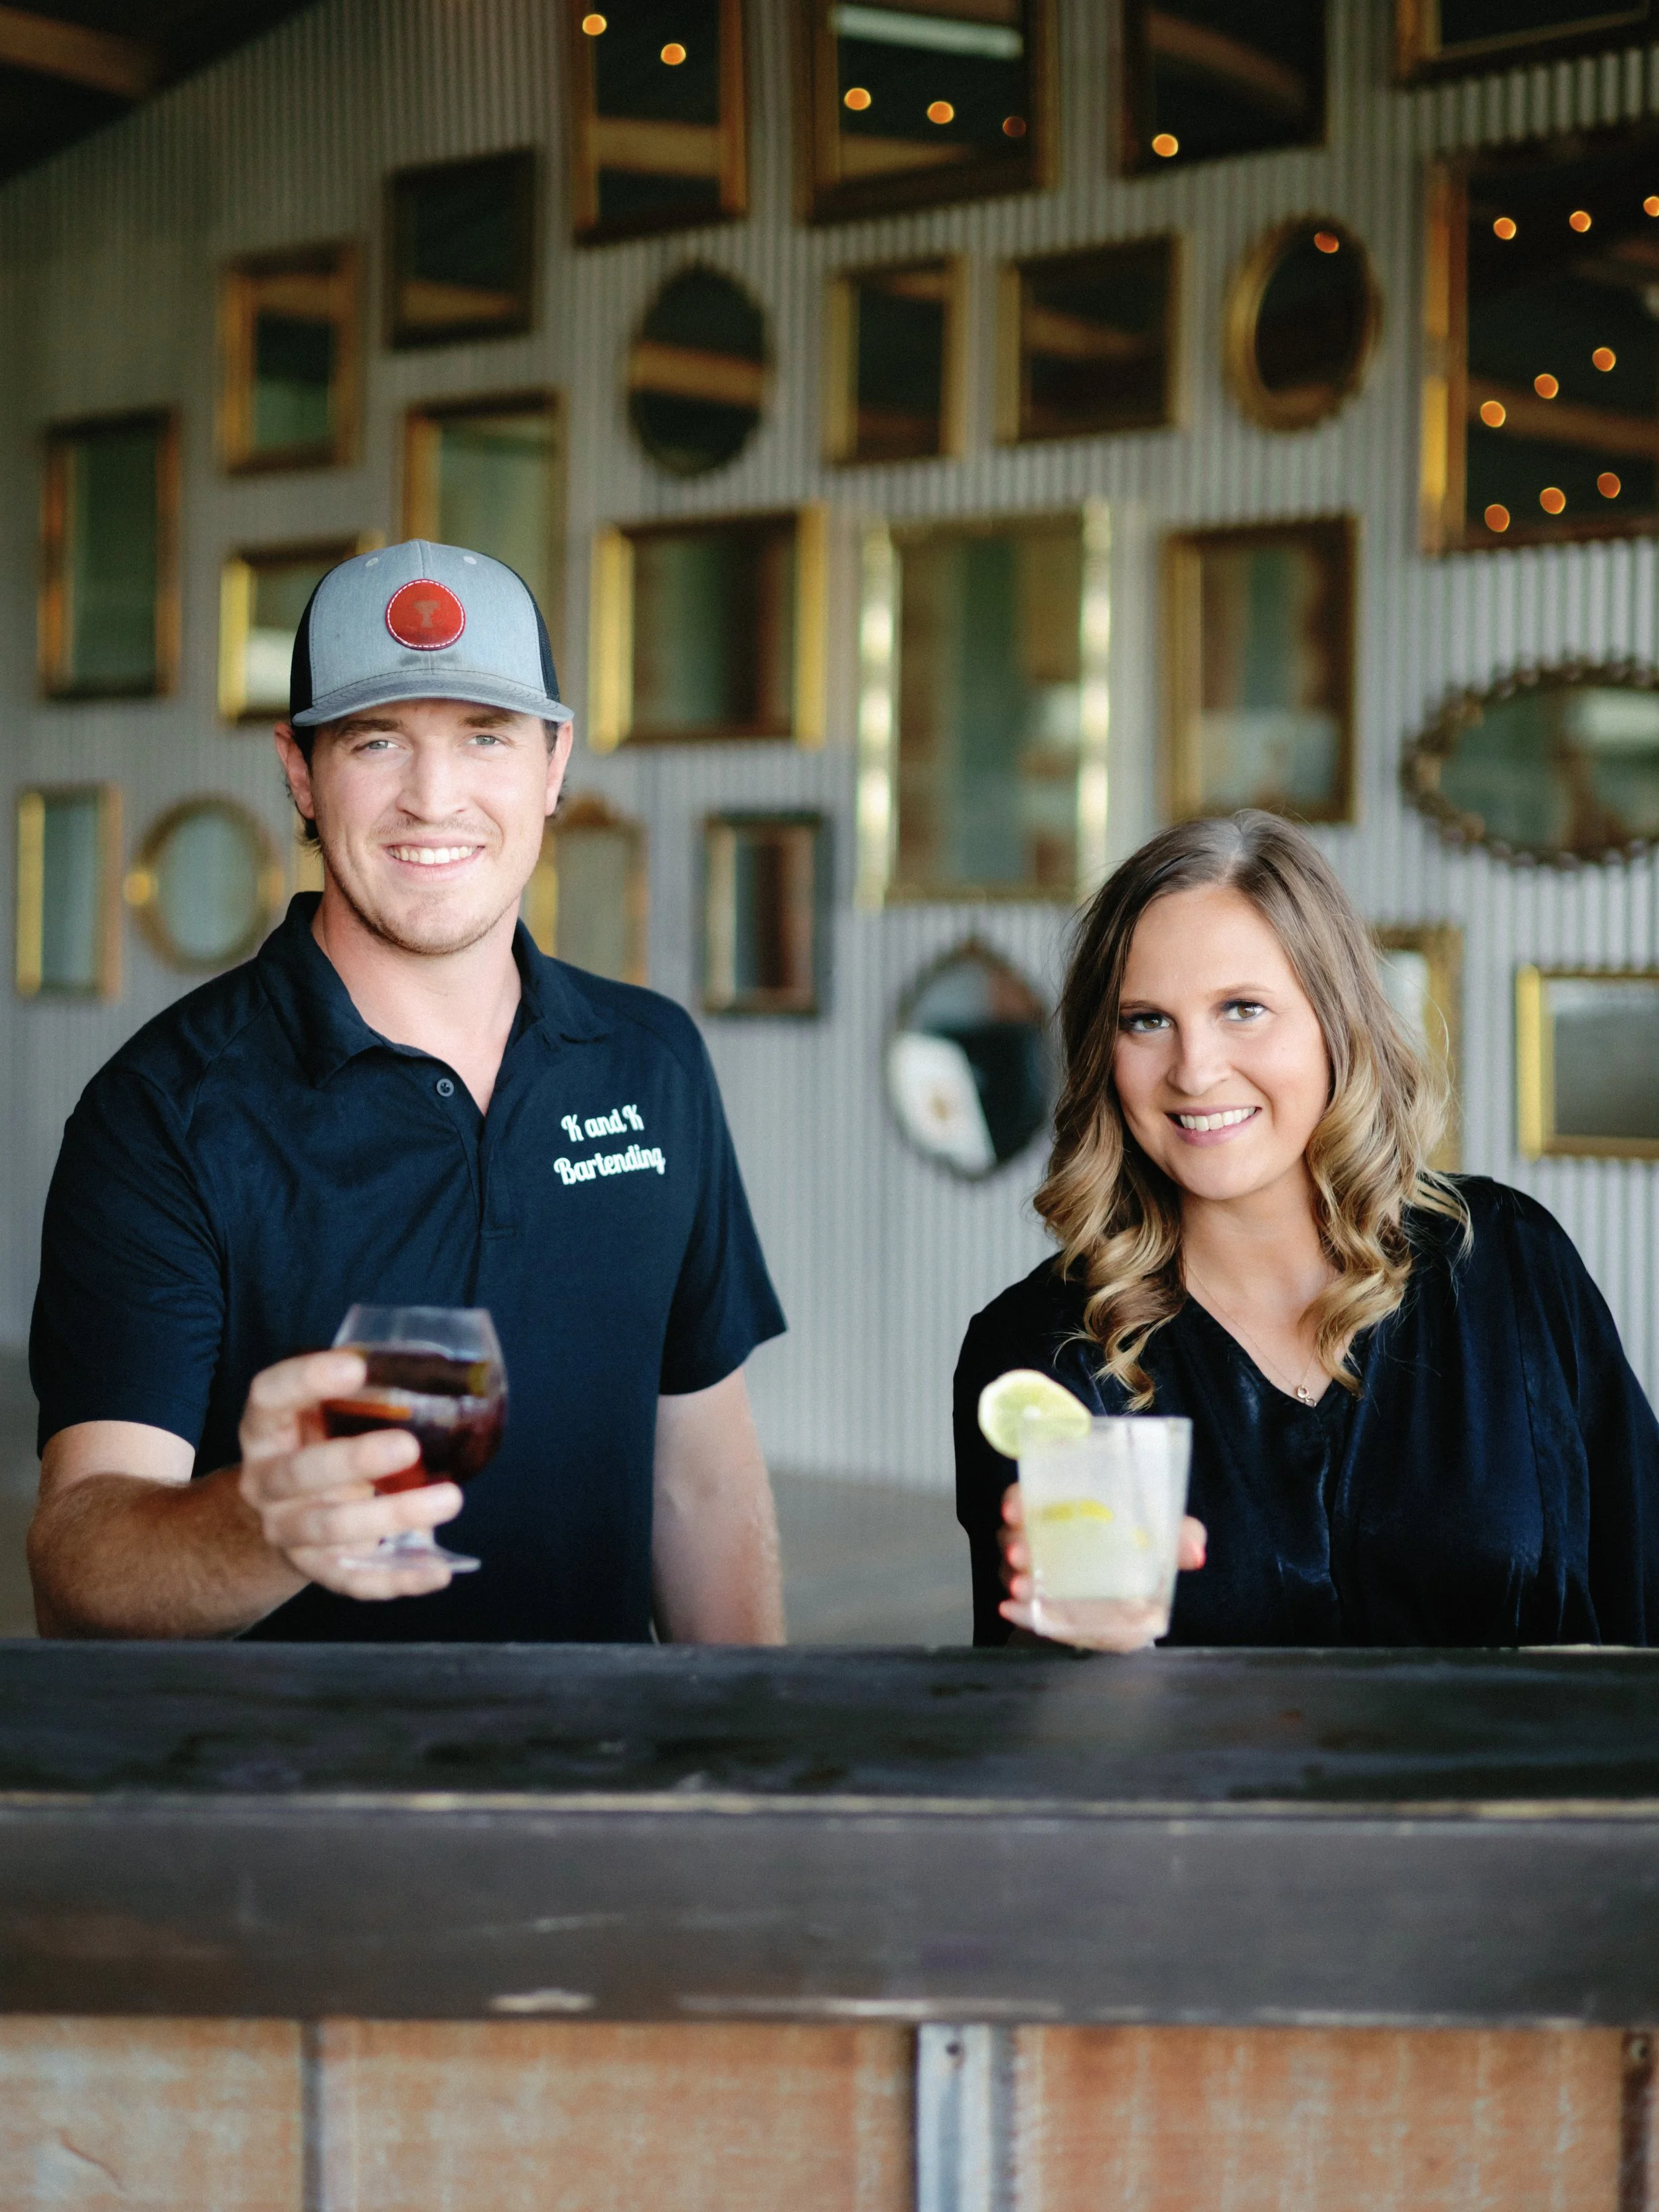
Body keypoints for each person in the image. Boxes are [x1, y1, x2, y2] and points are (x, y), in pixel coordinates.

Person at [28, 540, 786, 1643]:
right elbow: (78, 1565)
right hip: (287, 1757)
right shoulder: (163, 1113)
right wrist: (261, 1524)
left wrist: (759, 1738)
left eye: (485, 736)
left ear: (554, 762)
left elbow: (702, 1485)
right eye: (377, 740)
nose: (434, 799)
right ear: (300, 771)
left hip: (605, 1750)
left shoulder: (650, 1060)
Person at [956, 810, 1659, 1650]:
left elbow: (1641, 1584)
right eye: (1145, 1020)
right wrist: (1063, 1636)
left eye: (1242, 1008)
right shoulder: (1038, 1355)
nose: (1194, 1070)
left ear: (1335, 1023)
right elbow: (1026, 1704)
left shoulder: (1507, 1260)